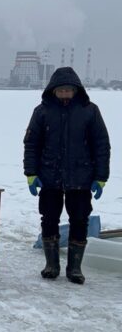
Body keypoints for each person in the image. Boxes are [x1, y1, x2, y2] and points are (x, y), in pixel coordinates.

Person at [24, 66, 110, 284]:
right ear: (53, 90)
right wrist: (31, 174)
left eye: (68, 90)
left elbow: (101, 145)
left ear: (76, 90)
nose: (64, 94)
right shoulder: (42, 111)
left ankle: (74, 269)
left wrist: (100, 177)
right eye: (60, 90)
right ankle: (51, 265)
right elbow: (32, 144)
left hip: (81, 179)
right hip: (49, 177)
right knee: (49, 219)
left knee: (79, 220)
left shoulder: (89, 110)